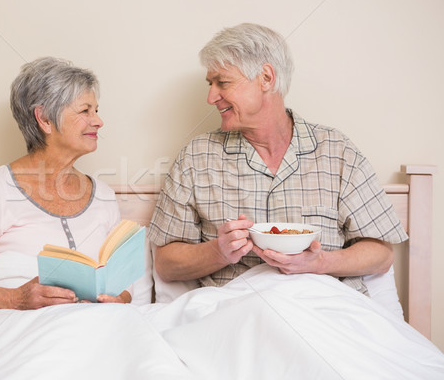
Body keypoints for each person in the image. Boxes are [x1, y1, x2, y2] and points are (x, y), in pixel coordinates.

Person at [148, 23, 408, 296]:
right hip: (235, 313)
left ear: (266, 78)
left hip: (323, 311)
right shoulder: (196, 157)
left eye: (222, 82)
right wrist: (218, 251)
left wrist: (321, 262)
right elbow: (166, 264)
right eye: (210, 84)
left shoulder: (338, 152)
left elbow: (381, 254)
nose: (211, 96)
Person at [0, 57, 130, 313]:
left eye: (96, 110)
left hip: (93, 329)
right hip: (21, 331)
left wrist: (119, 300)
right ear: (45, 119)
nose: (98, 121)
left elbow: (125, 284)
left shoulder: (103, 196)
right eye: (85, 111)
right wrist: (16, 300)